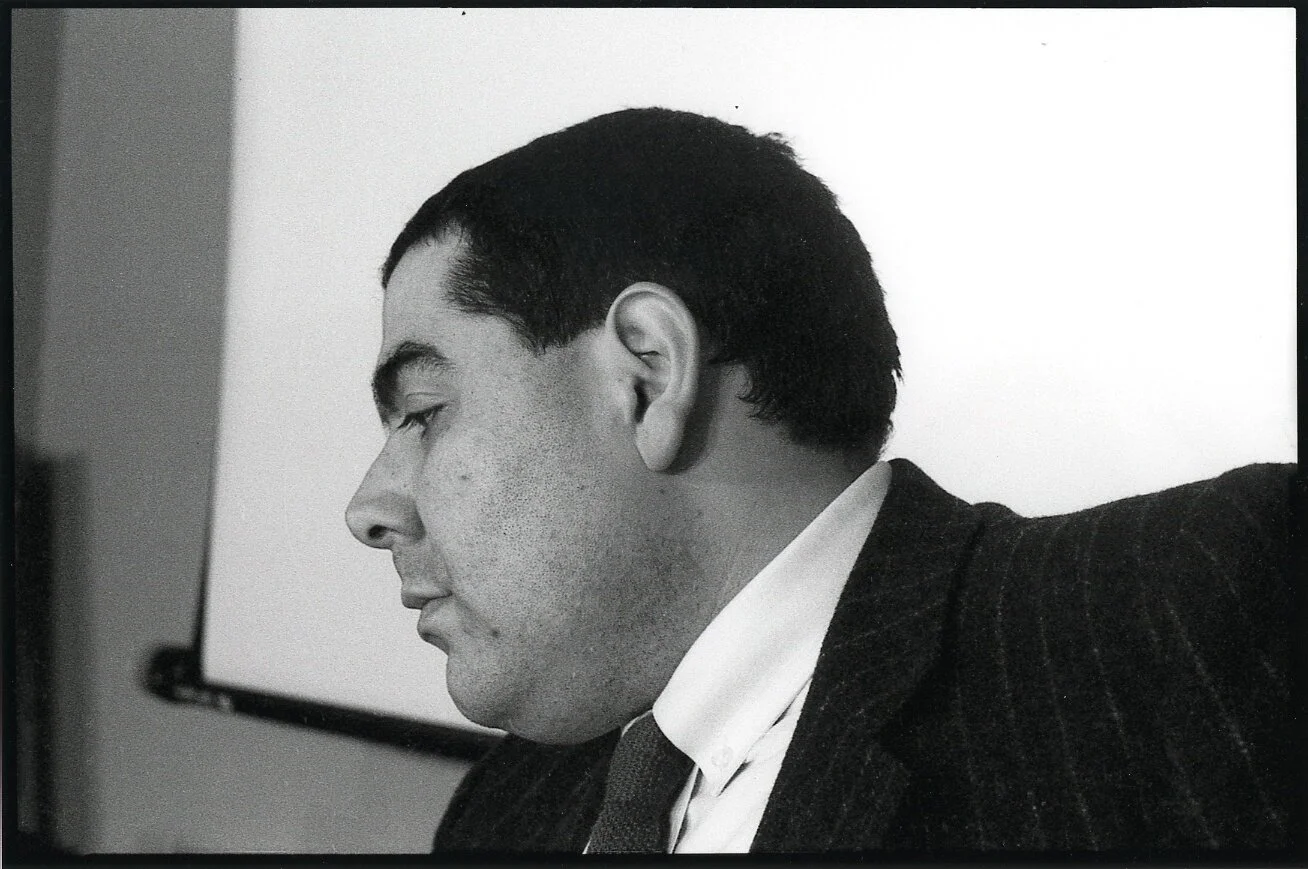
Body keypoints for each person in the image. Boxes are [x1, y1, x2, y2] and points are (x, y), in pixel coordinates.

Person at [344, 107, 1296, 853]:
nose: (369, 508)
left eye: (424, 410)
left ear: (647, 374)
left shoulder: (1197, 613)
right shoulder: (503, 811)